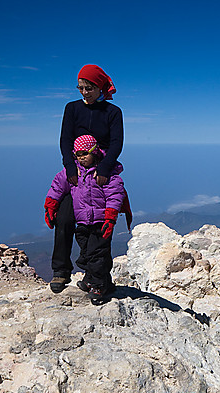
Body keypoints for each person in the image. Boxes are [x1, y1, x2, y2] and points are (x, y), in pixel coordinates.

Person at [50, 64, 124, 293]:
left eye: (89, 88)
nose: (84, 92)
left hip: (102, 174)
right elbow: (65, 140)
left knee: (99, 225)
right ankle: (61, 271)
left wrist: (104, 169)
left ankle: (99, 278)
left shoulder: (113, 112)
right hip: (77, 171)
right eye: (80, 88)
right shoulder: (72, 109)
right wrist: (70, 167)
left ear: (99, 86)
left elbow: (115, 144)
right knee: (64, 219)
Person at [44, 135, 131, 305]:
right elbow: (57, 187)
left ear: (95, 152)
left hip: (100, 222)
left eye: (85, 153)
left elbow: (115, 195)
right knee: (85, 252)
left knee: (97, 253)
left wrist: (110, 217)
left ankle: (99, 286)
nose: (81, 157)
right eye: (77, 154)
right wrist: (51, 205)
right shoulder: (73, 173)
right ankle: (93, 279)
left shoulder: (105, 174)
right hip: (82, 221)